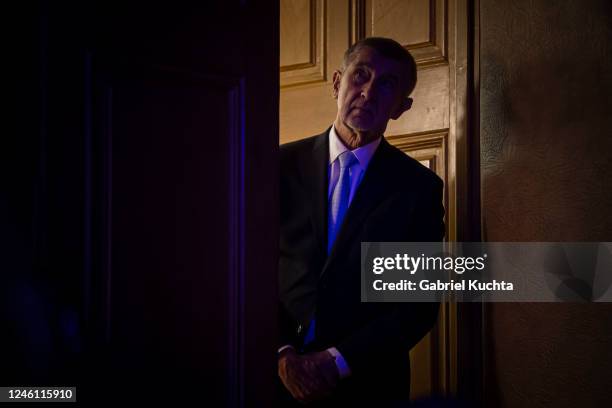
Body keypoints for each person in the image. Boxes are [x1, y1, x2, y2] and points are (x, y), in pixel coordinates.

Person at [278, 37, 445, 407]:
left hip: (369, 385)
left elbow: (417, 306)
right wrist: (282, 352)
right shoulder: (278, 167)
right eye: (361, 76)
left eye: (387, 84)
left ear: (402, 107)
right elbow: (249, 270)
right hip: (274, 380)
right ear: (338, 82)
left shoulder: (419, 190)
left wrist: (336, 361)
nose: (368, 92)